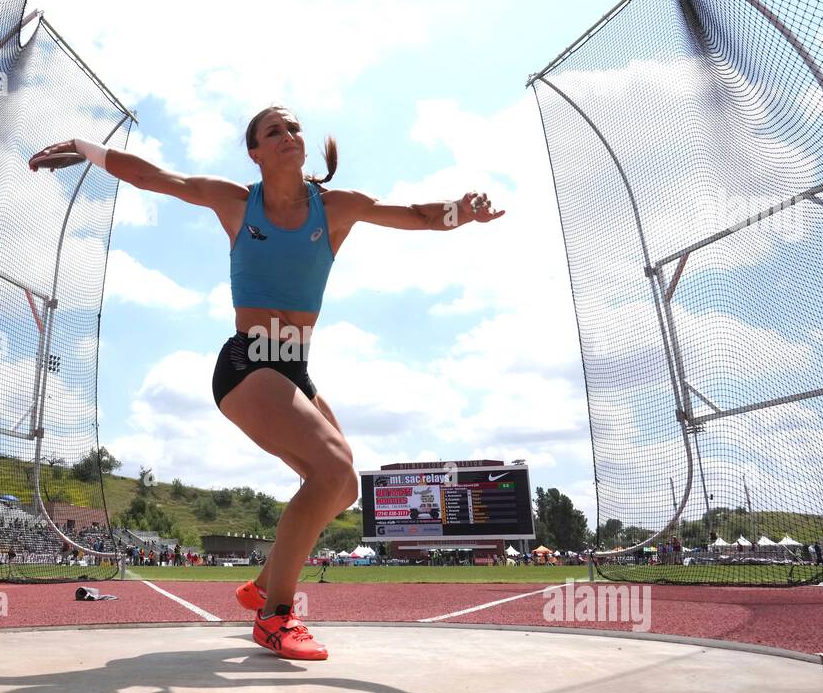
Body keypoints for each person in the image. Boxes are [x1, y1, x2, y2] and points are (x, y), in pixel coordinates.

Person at [31, 107, 503, 659]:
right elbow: (154, 178)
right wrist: (85, 147)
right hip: (248, 364)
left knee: (344, 487)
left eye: (294, 128)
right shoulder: (236, 202)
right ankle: (276, 616)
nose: (287, 136)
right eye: (272, 131)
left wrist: (462, 212)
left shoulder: (337, 208)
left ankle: (260, 584)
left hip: (296, 368)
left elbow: (418, 216)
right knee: (328, 473)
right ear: (254, 152)